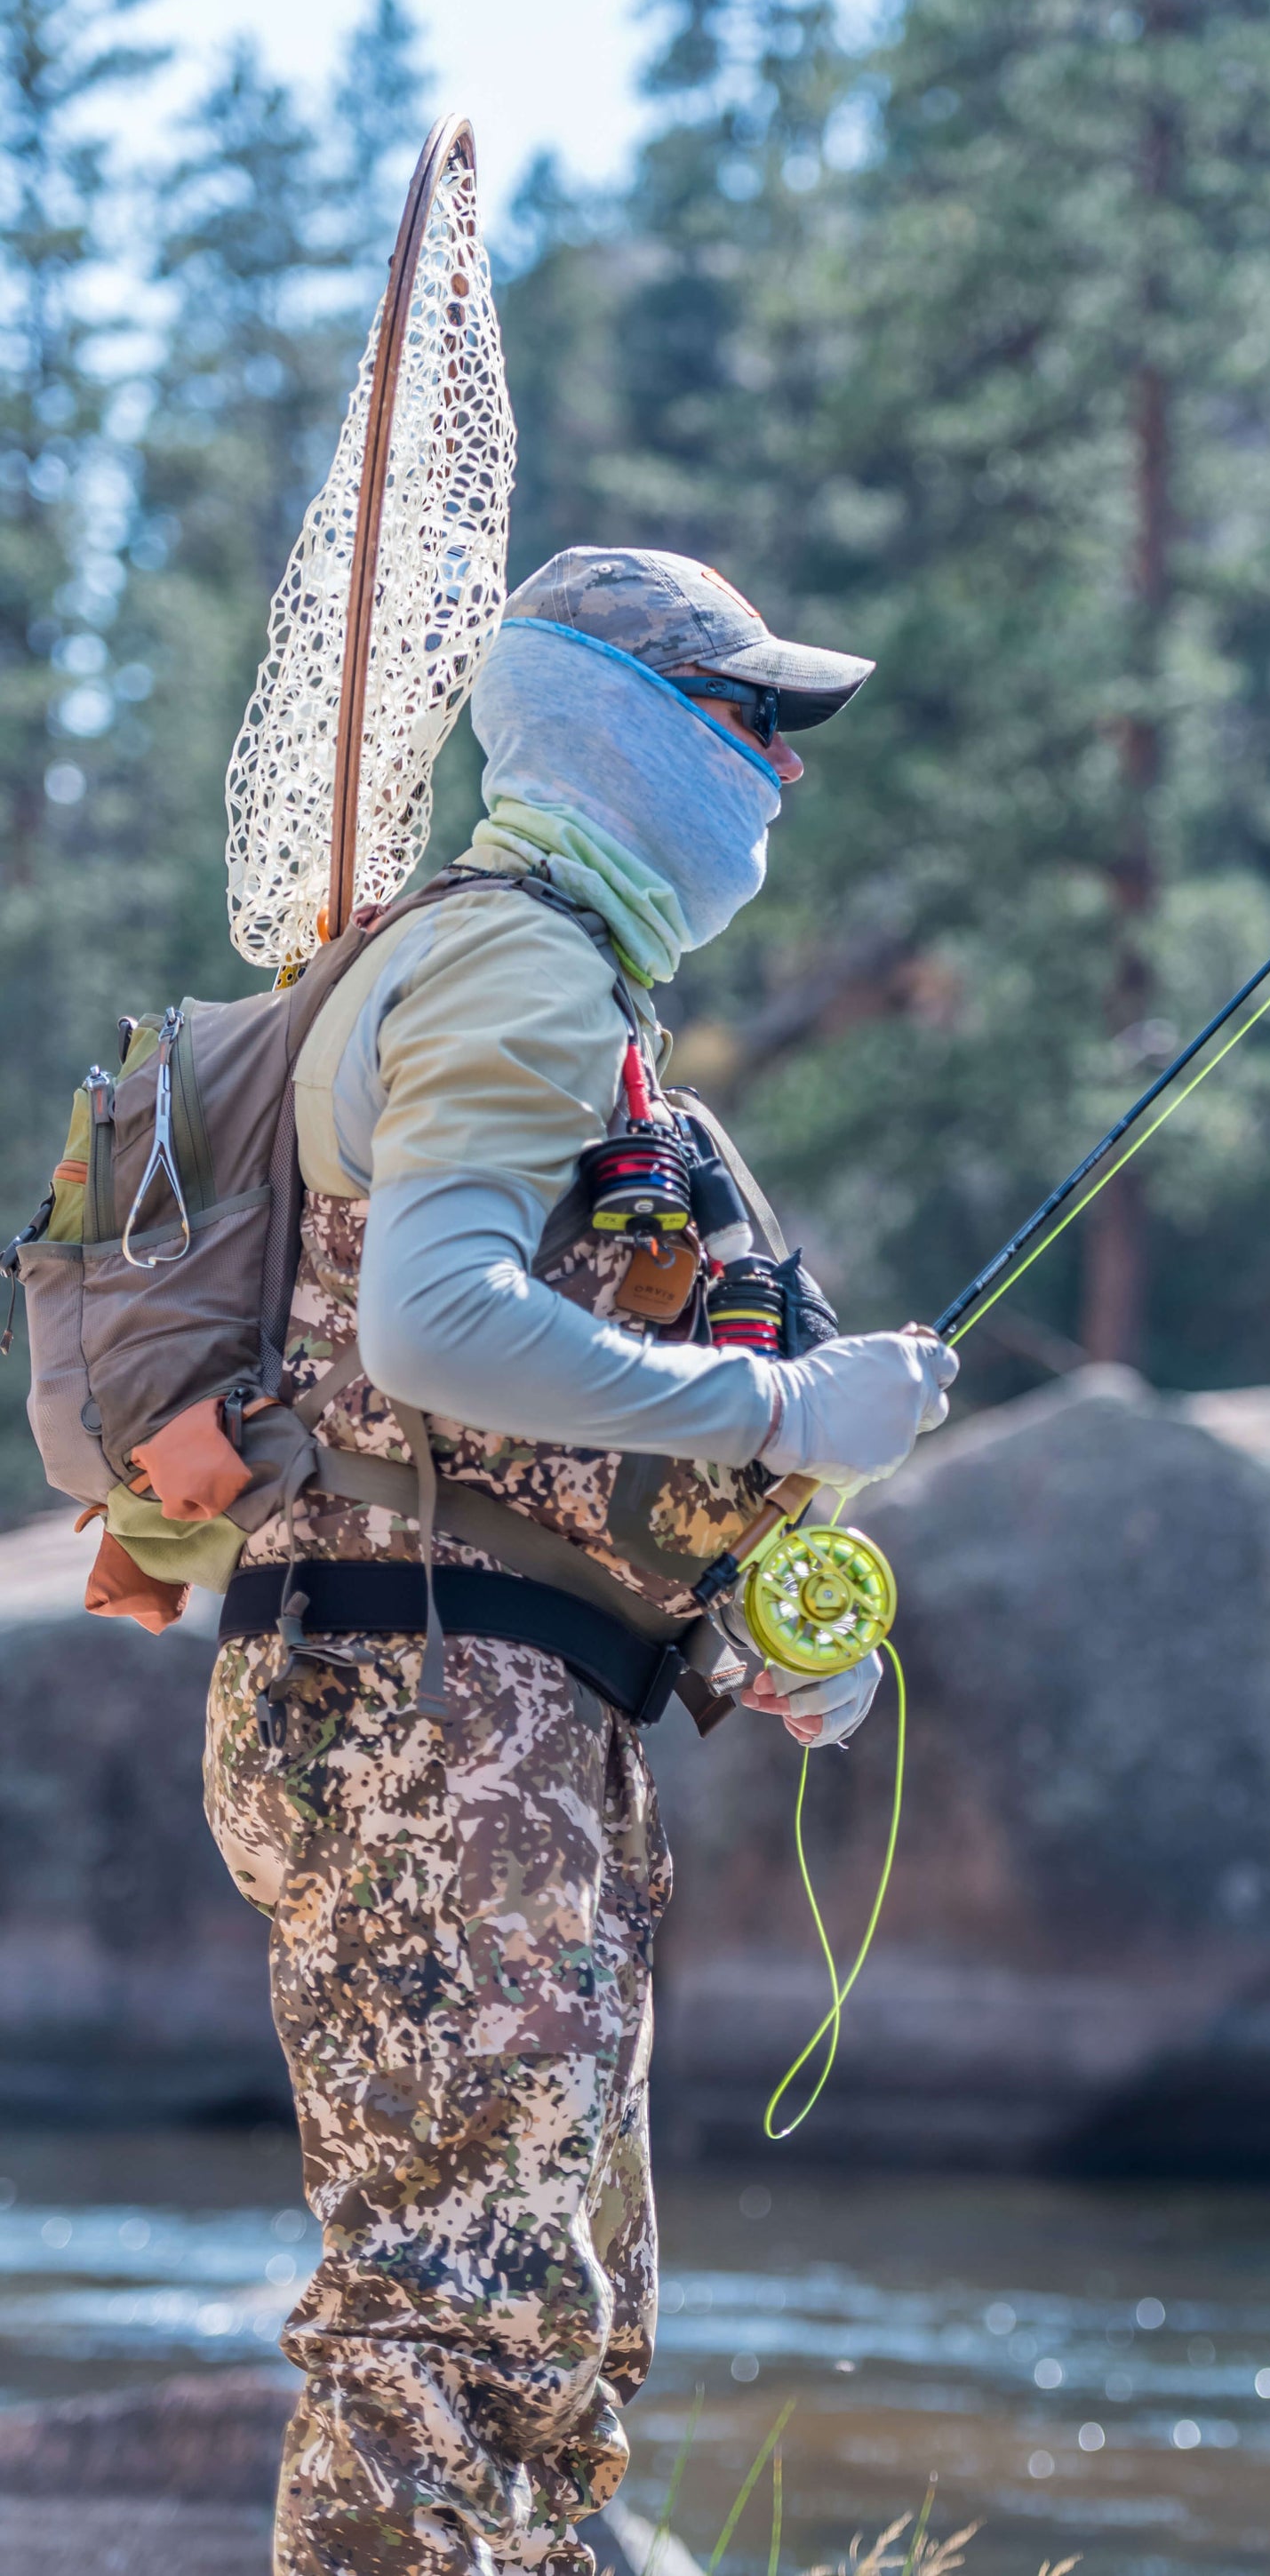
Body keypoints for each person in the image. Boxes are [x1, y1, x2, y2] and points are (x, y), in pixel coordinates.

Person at [203, 548, 958, 2576]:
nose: (780, 775)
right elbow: (429, 1334)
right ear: (622, 720)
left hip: (461, 1706)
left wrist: (752, 1634)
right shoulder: (518, 967)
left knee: (535, 2324)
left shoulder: (519, 975)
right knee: (462, 2328)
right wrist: (789, 1419)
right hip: (438, 1727)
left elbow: (498, 1434)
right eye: (750, 720)